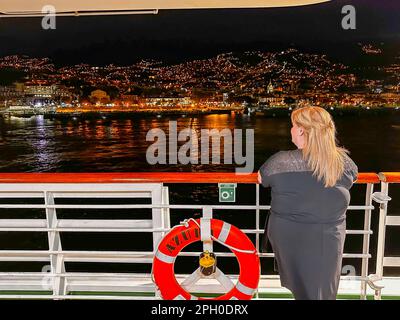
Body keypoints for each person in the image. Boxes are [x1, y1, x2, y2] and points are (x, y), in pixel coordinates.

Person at [258, 106, 358, 300]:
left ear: (302, 130)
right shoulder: (342, 162)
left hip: (289, 234)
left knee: (303, 287)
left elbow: (262, 178)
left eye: (293, 126)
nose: (291, 130)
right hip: (329, 235)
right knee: (323, 287)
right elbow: (353, 177)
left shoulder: (281, 161)